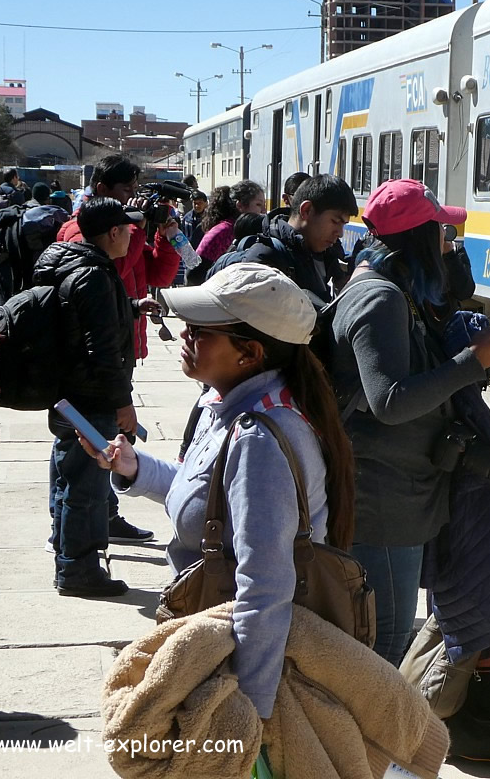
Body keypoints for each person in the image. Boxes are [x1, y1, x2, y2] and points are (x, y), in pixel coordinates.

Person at [84, 262, 356, 720]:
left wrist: (248, 716)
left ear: (249, 353)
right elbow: (207, 498)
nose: (184, 336)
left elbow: (265, 589)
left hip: (236, 665)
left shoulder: (258, 439)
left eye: (199, 331)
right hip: (211, 644)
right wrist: (136, 468)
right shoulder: (223, 403)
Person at [330, 178, 490, 666]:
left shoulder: (387, 287)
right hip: (384, 500)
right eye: (441, 234)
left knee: (379, 638)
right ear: (418, 237)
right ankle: (372, 742)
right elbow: (389, 400)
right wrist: (473, 362)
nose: (448, 243)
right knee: (384, 643)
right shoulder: (381, 299)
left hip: (394, 489)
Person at [56, 154, 180, 545]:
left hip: (122, 339)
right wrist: (135, 228)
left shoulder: (125, 228)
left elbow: (157, 275)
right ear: (104, 190)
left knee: (97, 440)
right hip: (97, 350)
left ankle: (101, 514)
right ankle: (74, 535)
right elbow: (110, 272)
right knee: (85, 443)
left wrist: (164, 234)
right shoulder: (83, 229)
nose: (133, 199)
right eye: (127, 191)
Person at [36, 199, 144, 596]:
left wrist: (131, 307)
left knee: (68, 478)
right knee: (87, 486)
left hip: (67, 392)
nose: (132, 235)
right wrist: (123, 403)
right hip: (93, 397)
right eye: (128, 230)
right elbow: (102, 349)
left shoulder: (67, 263)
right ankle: (79, 571)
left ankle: (66, 554)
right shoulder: (95, 275)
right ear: (112, 233)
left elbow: (80, 317)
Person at [213, 174, 357, 308]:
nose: (340, 233)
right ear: (306, 210)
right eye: (335, 221)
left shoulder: (325, 255)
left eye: (343, 225)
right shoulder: (264, 258)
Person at [192, 181, 266, 283]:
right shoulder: (222, 232)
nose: (264, 211)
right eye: (258, 204)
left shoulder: (255, 232)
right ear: (240, 206)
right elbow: (193, 274)